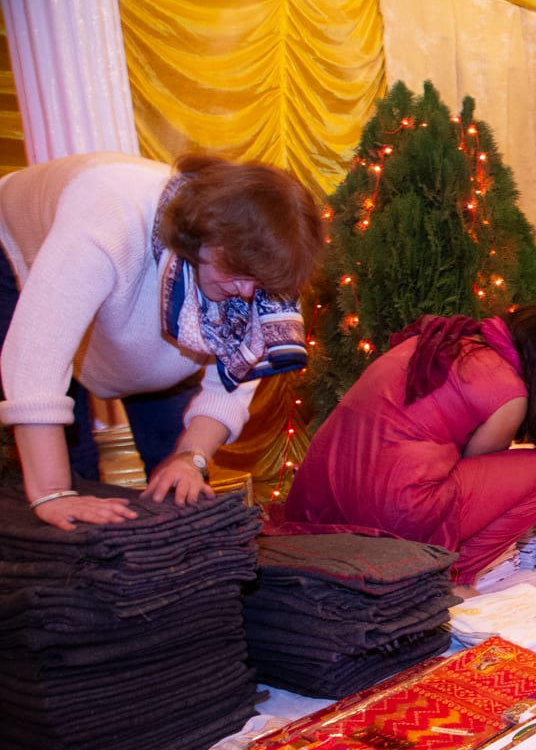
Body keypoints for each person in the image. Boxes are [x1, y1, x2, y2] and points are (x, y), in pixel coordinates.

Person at [0, 152, 322, 530]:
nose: (248, 293)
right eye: (239, 273)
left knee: (178, 480)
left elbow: (232, 384)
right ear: (204, 234)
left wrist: (191, 457)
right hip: (13, 252)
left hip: (128, 316)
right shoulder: (108, 217)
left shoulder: (261, 272)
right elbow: (35, 356)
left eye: (260, 284)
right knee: (71, 483)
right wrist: (53, 492)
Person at [285, 307, 536, 590]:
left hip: (318, 499)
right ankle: (451, 579)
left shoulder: (438, 340)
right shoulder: (509, 392)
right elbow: (474, 464)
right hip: (392, 513)